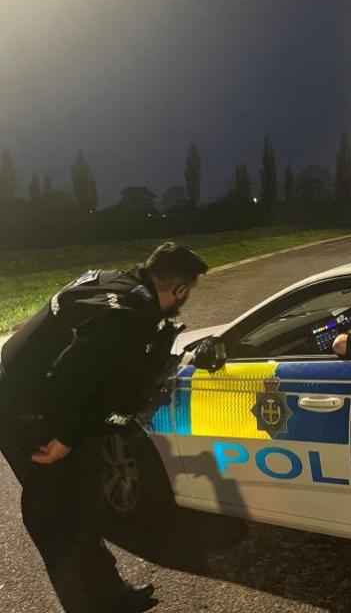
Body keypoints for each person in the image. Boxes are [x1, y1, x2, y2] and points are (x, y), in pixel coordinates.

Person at [0, 242, 208, 613]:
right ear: (179, 289)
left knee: (79, 506)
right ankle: (92, 604)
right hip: (29, 412)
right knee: (57, 514)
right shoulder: (128, 314)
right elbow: (73, 373)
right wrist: (65, 438)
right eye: (189, 290)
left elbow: (101, 361)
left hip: (29, 396)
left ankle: (108, 595)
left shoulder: (116, 283)